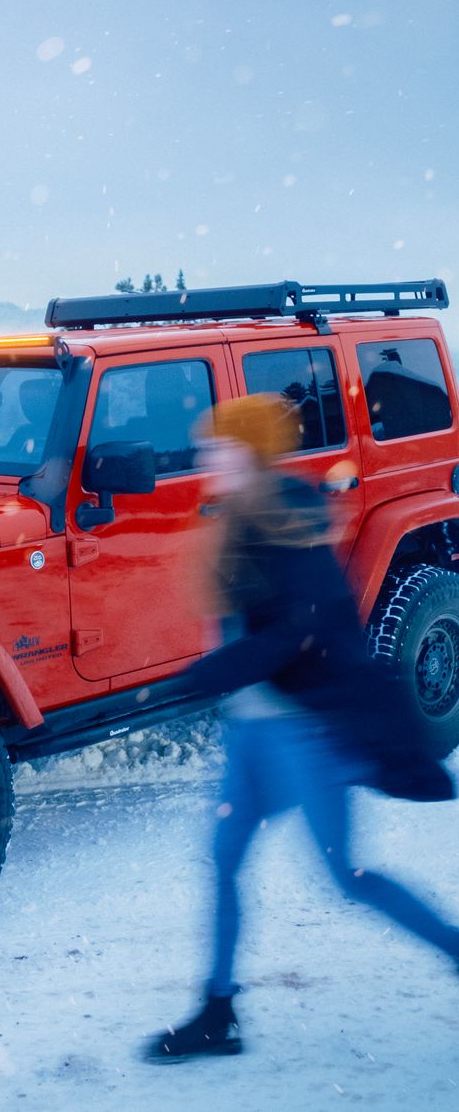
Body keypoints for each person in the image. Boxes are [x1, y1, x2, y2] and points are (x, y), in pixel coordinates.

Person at [144, 393, 459, 1063]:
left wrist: (205, 675)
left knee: (346, 874)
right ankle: (218, 1012)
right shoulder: (236, 518)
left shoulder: (289, 523)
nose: (208, 459)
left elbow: (298, 632)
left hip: (305, 732)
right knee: (225, 856)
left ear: (252, 453)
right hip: (253, 731)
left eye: (220, 448)